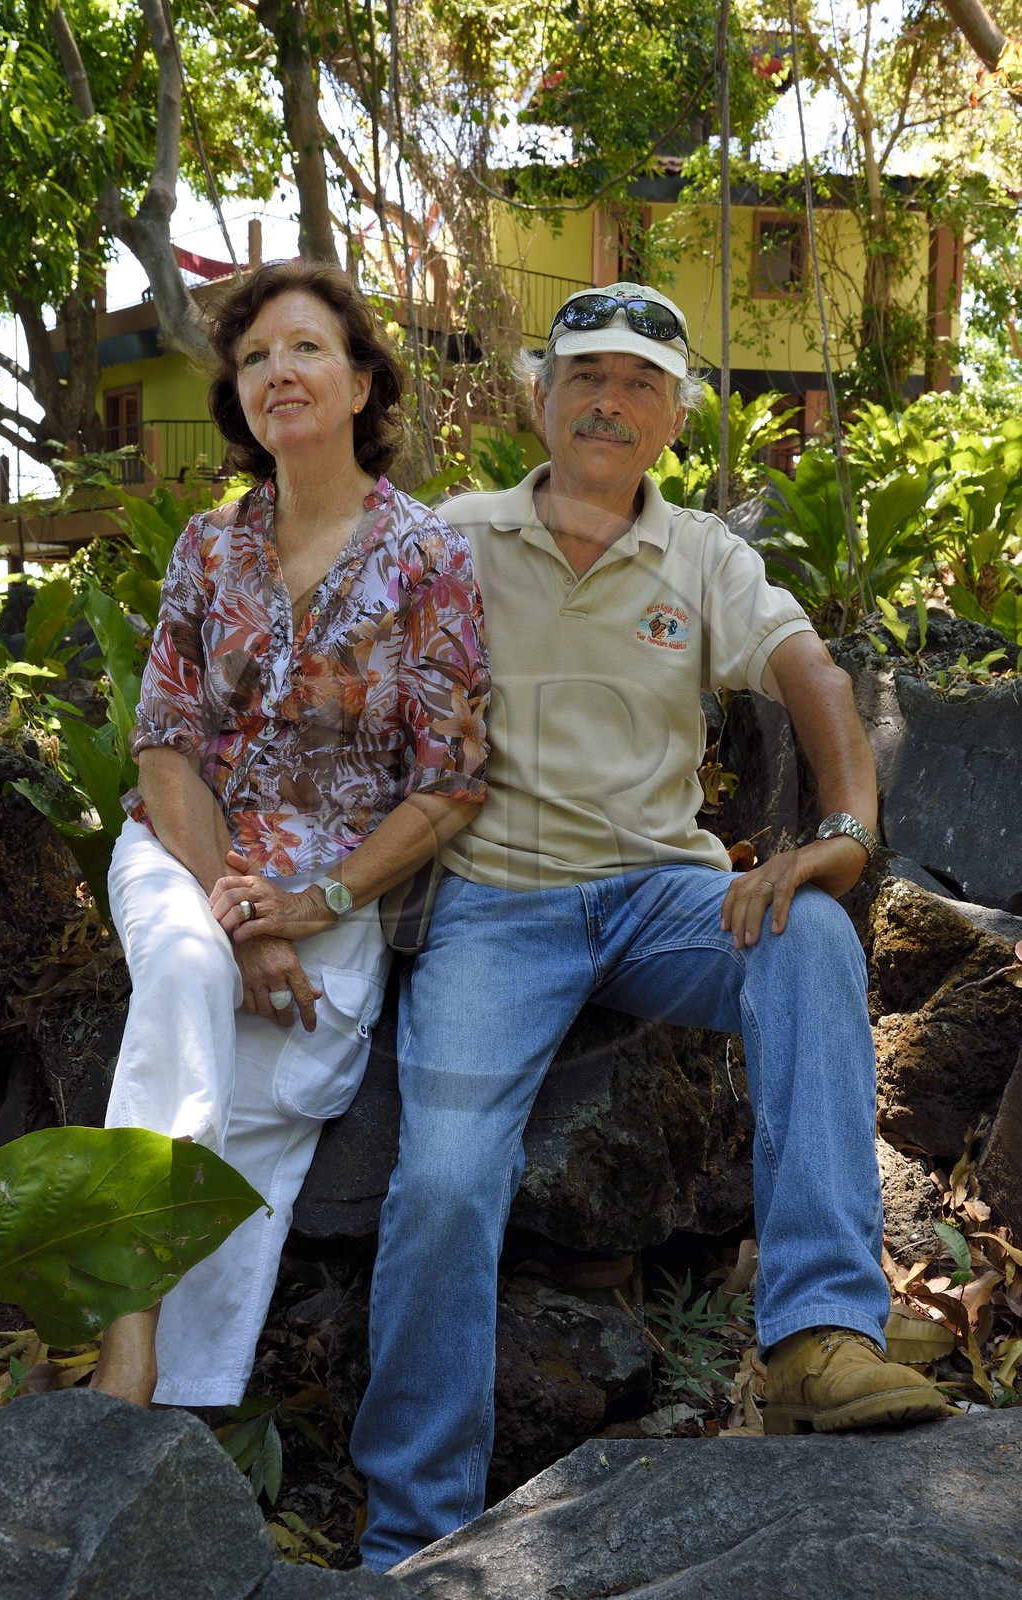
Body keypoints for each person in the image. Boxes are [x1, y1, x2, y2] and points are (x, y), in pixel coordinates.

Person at [349, 282, 951, 1571]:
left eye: (638, 383)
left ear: (674, 418)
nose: (608, 402)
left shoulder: (705, 556)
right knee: (445, 1180)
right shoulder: (451, 537)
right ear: (540, 397)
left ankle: (819, 1336)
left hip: (663, 896)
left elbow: (810, 673)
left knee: (812, 935)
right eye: (585, 376)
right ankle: (413, 1533)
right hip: (495, 906)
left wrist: (845, 828)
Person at [91, 261, 490, 1408]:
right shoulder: (207, 547)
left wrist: (311, 908)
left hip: (334, 890)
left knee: (271, 1110)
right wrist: (245, 917)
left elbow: (449, 783)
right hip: (185, 852)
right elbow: (165, 749)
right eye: (256, 356)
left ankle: (184, 1409)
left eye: (306, 347)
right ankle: (126, 1344)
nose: (278, 371)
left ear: (361, 383)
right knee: (183, 973)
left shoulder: (428, 559)